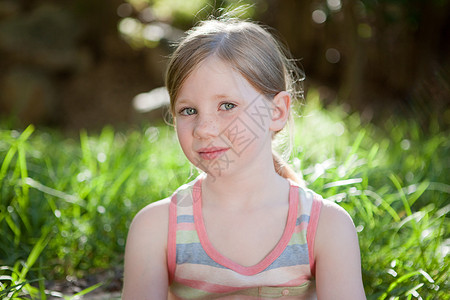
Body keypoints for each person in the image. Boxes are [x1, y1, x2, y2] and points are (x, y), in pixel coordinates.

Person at [122, 16, 366, 299]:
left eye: (227, 105)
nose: (203, 129)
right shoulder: (156, 228)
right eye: (188, 111)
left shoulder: (326, 227)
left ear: (277, 112)